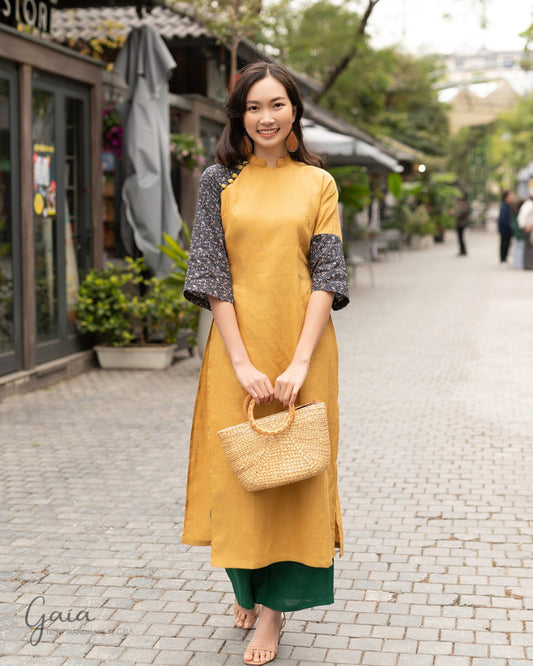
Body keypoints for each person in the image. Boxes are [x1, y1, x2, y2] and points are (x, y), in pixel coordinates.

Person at [181, 62, 349, 665]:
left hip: (305, 347)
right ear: (240, 115)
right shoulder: (218, 180)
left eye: (277, 105)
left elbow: (328, 276)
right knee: (241, 476)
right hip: (236, 350)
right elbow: (209, 273)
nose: (266, 117)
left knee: (294, 478)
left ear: (295, 111)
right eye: (254, 107)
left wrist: (299, 362)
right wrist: (243, 361)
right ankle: (245, 584)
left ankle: (272, 618)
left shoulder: (318, 185)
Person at [497, 190, 515, 263]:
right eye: (511, 196)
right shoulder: (504, 206)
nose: (513, 197)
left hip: (507, 229)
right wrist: (510, 226)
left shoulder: (508, 205)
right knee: (504, 244)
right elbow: (504, 219)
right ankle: (503, 258)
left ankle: (504, 258)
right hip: (505, 229)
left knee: (506, 244)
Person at [517, 186, 533, 270]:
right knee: (528, 247)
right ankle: (528, 265)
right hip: (527, 228)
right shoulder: (529, 205)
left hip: (528, 227)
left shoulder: (528, 204)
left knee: (529, 247)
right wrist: (525, 225)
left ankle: (528, 264)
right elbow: (523, 217)